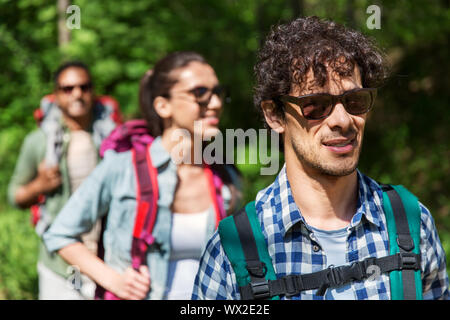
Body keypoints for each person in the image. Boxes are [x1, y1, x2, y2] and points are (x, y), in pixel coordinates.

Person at [192, 16, 449, 300]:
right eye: (315, 105)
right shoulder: (234, 249)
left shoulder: (411, 222)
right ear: (274, 115)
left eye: (355, 102)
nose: (343, 120)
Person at [43, 51, 242, 300]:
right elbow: (60, 233)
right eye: (200, 93)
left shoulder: (224, 178)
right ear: (163, 105)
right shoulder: (122, 168)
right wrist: (113, 280)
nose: (215, 103)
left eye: (218, 92)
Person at [8, 61, 121, 299]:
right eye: (67, 88)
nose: (77, 94)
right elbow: (14, 196)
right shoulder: (38, 142)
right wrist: (39, 185)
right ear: (56, 95)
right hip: (57, 265)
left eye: (84, 87)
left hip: (107, 262)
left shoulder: (114, 141)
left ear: (93, 92)